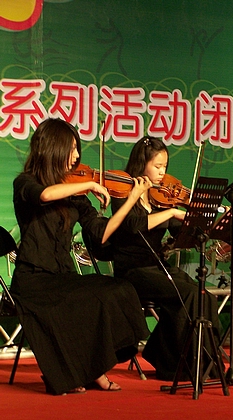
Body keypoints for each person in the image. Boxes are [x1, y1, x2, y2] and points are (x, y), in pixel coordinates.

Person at [11, 118, 152, 395]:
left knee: (117, 289)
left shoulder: (76, 191)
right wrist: (88, 185)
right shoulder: (25, 183)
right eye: (72, 148)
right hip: (33, 280)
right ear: (53, 148)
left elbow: (101, 233)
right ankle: (83, 372)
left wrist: (131, 200)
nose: (76, 156)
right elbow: (45, 195)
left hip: (62, 276)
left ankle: (91, 368)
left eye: (77, 149)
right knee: (81, 300)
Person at [110, 136, 221, 381]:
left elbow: (180, 233)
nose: (163, 172)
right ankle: (176, 364)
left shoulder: (162, 196)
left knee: (205, 296)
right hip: (132, 271)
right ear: (142, 164)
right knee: (189, 294)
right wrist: (171, 212)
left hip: (157, 266)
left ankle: (201, 362)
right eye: (157, 166)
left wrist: (197, 221)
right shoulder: (123, 192)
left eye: (165, 167)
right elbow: (132, 225)